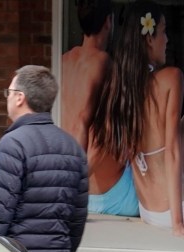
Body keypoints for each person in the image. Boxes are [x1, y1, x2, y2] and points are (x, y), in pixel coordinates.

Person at [0, 65, 89, 252]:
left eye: (9, 92)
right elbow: (78, 216)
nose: (7, 98)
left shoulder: (13, 143)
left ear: (20, 97)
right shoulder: (72, 146)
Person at [90, 2, 184, 236]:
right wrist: (178, 223)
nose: (167, 39)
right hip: (175, 208)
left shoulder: (121, 89)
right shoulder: (172, 78)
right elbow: (172, 151)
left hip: (149, 212)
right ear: (149, 38)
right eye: (163, 31)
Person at [61, 0, 139, 216]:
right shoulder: (103, 62)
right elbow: (98, 134)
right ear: (109, 21)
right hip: (103, 193)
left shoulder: (62, 61)